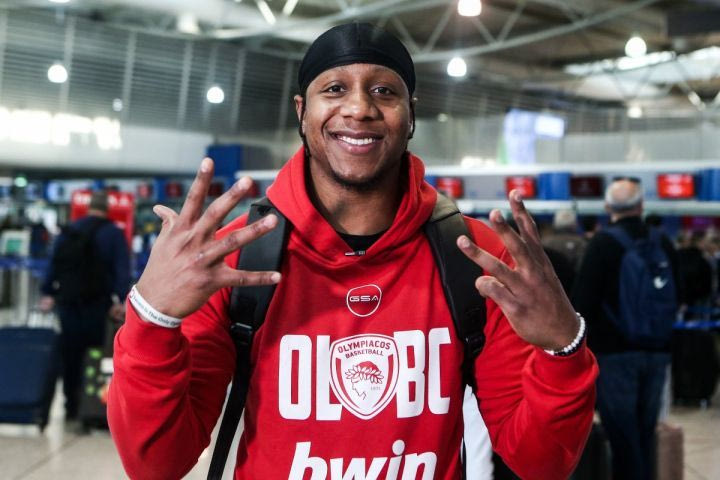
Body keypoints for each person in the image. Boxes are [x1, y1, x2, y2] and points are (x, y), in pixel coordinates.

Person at [108, 23, 598, 480]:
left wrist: (563, 347)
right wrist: (153, 318)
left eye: (384, 91)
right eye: (335, 89)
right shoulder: (236, 259)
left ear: (411, 115)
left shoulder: (476, 256)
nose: (360, 108)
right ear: (302, 112)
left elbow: (541, 462)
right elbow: (156, 464)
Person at [572, 178, 679, 480]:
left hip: (615, 354)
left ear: (608, 207)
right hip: (657, 351)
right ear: (641, 206)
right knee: (645, 432)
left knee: (622, 436)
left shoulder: (603, 244)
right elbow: (678, 293)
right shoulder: (663, 243)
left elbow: (583, 302)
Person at [40, 190, 130, 420]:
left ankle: (70, 405)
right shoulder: (113, 233)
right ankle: (92, 407)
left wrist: (48, 292)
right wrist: (121, 300)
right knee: (96, 354)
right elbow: (121, 270)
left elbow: (53, 266)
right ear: (107, 209)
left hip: (68, 304)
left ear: (88, 207)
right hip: (98, 304)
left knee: (70, 354)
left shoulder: (68, 231)